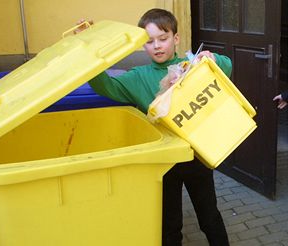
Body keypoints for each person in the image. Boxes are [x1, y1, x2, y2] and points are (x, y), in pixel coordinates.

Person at [77, 8, 231, 246]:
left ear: (176, 38)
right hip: (162, 162)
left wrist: (212, 59)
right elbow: (104, 86)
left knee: (209, 217)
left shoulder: (190, 66)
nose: (157, 46)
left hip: (195, 156)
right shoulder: (137, 77)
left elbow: (226, 67)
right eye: (149, 41)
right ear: (143, 45)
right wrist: (88, 49)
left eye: (163, 38)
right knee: (169, 225)